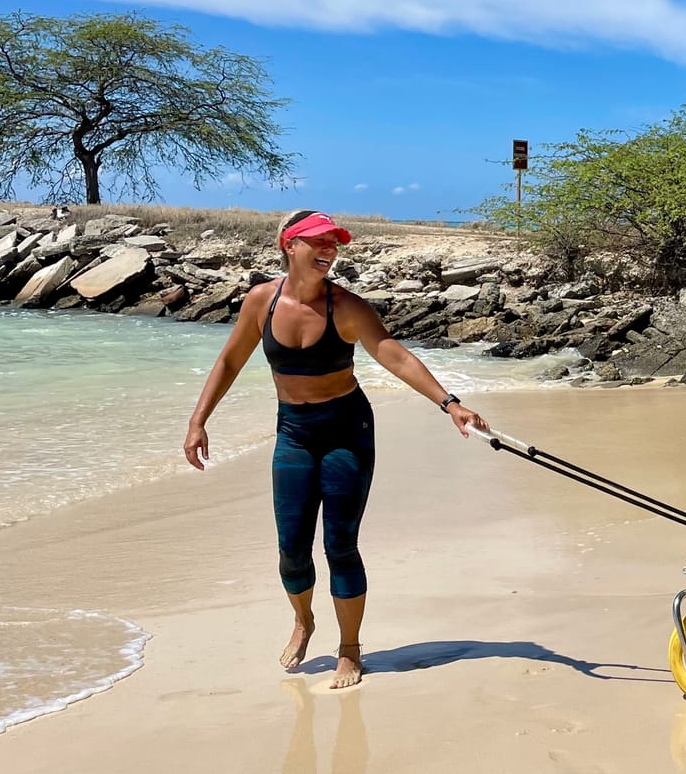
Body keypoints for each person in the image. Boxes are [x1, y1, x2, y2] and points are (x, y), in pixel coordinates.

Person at [183, 210, 487, 688]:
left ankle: (350, 648)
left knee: (340, 545)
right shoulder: (261, 302)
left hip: (346, 430)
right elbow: (230, 360)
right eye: (318, 242)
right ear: (289, 245)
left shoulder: (346, 307)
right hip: (294, 433)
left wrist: (450, 403)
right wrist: (199, 420)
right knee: (291, 549)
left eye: (334, 243)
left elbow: (392, 353)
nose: (329, 251)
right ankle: (304, 621)